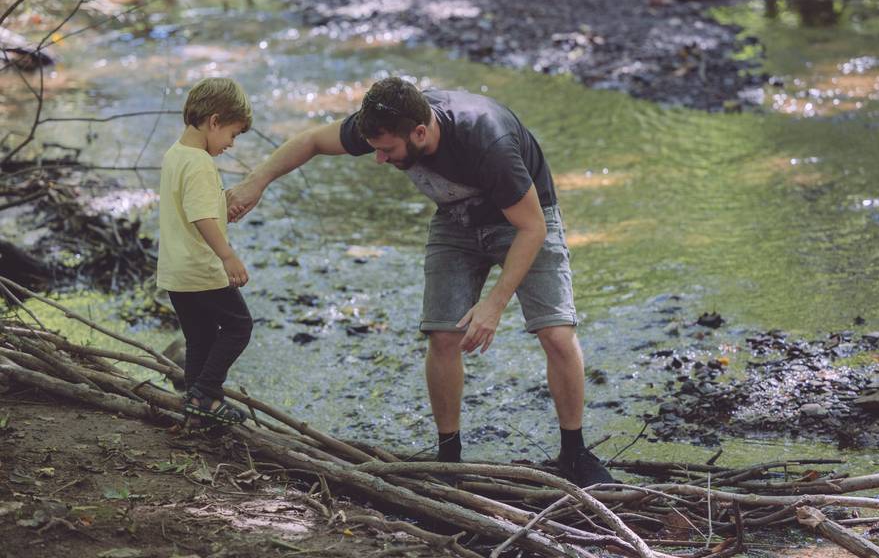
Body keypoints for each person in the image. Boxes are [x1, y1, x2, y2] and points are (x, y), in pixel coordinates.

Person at [227, 77, 613, 486]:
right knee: (443, 336)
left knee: (555, 332)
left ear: (421, 132)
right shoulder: (386, 120)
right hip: (456, 220)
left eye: (387, 150)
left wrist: (494, 305)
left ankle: (575, 452)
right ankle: (450, 460)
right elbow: (312, 142)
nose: (379, 159)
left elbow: (533, 228)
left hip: (522, 220)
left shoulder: (487, 142)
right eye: (375, 148)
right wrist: (257, 182)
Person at [157, 77, 254, 427]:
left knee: (199, 336)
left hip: (175, 270)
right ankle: (206, 392)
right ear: (214, 121)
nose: (231, 143)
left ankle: (196, 407)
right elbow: (199, 216)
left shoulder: (175, 155)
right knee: (239, 326)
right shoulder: (199, 162)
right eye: (233, 134)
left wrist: (221, 204)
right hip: (200, 268)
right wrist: (227, 255)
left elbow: (191, 207)